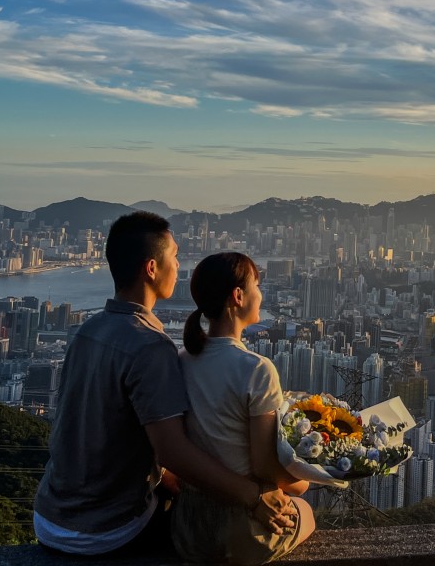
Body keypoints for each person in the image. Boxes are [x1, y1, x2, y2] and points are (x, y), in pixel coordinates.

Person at [33, 212, 295, 556]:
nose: (178, 265)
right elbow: (172, 452)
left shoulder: (87, 330)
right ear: (152, 268)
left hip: (49, 517)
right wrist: (255, 497)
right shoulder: (150, 346)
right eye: (174, 256)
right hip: (107, 531)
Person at [171, 252, 315, 564]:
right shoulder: (256, 368)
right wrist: (305, 481)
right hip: (239, 528)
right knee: (306, 512)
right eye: (258, 286)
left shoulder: (182, 360)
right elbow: (264, 467)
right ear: (238, 296)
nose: (262, 295)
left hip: (188, 528)